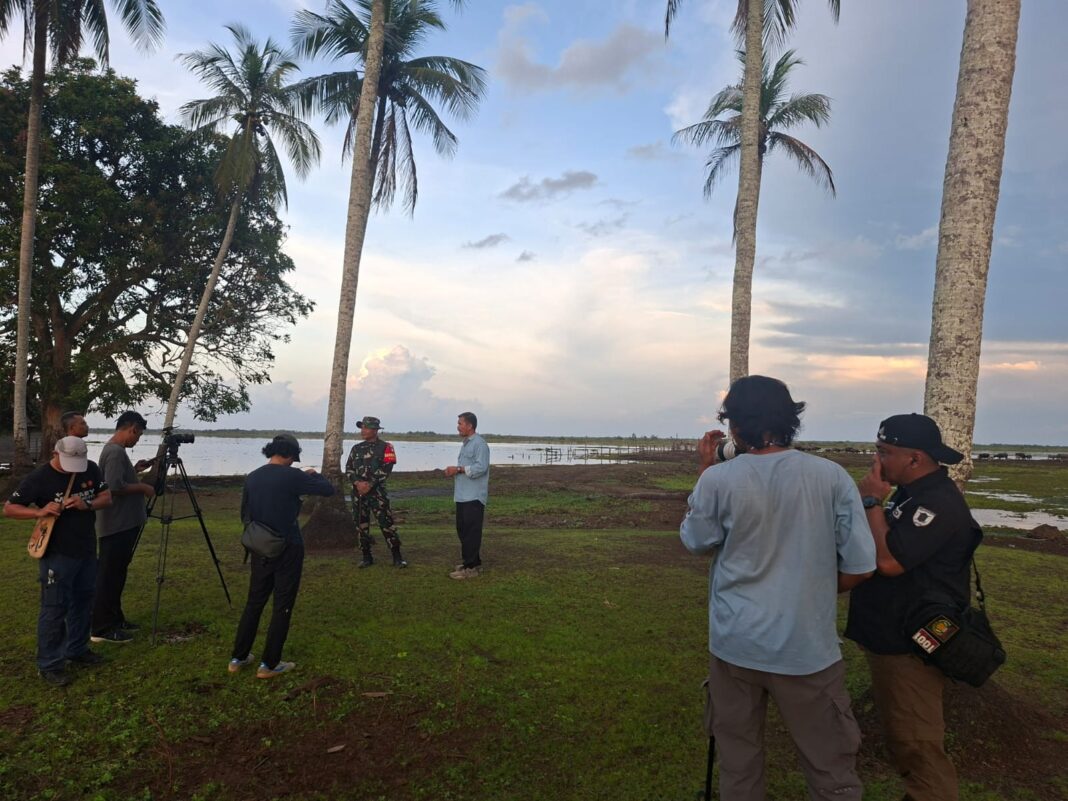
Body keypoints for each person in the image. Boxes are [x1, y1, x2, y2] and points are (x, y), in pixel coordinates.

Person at [679, 375, 875, 801]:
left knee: (738, 763)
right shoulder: (832, 477)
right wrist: (808, 592)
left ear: (735, 425)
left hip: (735, 645)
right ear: (790, 420)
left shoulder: (718, 480)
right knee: (831, 771)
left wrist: (705, 471)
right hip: (807, 650)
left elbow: (696, 541)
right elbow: (861, 566)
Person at [844, 414, 982, 801]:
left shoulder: (937, 502)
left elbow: (889, 562)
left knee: (917, 748)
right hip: (895, 636)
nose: (876, 460)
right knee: (906, 742)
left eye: (884, 451)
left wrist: (871, 501)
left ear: (915, 458)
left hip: (911, 647)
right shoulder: (912, 493)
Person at [4, 436, 113, 686]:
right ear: (55, 454)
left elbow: (106, 498)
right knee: (54, 608)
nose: (74, 468)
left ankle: (77, 649)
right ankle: (50, 664)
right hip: (57, 553)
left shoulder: (90, 468)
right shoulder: (39, 478)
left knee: (83, 601)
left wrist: (87, 503)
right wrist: (39, 511)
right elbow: (9, 508)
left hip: (86, 549)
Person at [230, 434, 334, 679]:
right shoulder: (293, 476)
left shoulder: (253, 476)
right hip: (288, 546)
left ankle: (238, 658)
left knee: (254, 602)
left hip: (259, 546)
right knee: (282, 605)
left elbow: (245, 513)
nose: (292, 462)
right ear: (289, 454)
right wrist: (314, 474)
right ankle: (269, 664)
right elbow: (328, 489)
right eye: (293, 458)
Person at [91, 411, 155, 644]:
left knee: (117, 573)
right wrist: (143, 488)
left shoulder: (115, 451)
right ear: (132, 428)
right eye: (138, 435)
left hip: (121, 523)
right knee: (109, 575)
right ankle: (101, 627)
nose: (137, 440)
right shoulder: (116, 452)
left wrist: (134, 470)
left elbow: (114, 479)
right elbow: (114, 486)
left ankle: (116, 619)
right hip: (116, 524)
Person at [345, 416, 407, 568]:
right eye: (362, 428)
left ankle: (397, 557)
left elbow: (387, 468)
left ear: (374, 430)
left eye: (365, 428)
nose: (362, 431)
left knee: (386, 523)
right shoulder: (356, 448)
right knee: (361, 524)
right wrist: (357, 483)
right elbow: (348, 469)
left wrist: (370, 483)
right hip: (358, 493)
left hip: (377, 493)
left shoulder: (386, 447)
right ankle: (366, 557)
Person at [444, 412, 490, 580]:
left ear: (470, 426)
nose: (458, 427)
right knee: (463, 530)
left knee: (471, 532)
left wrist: (458, 469)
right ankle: (473, 563)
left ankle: (470, 569)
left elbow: (481, 468)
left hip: (474, 497)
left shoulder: (480, 444)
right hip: (462, 495)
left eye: (460, 423)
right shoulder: (466, 444)